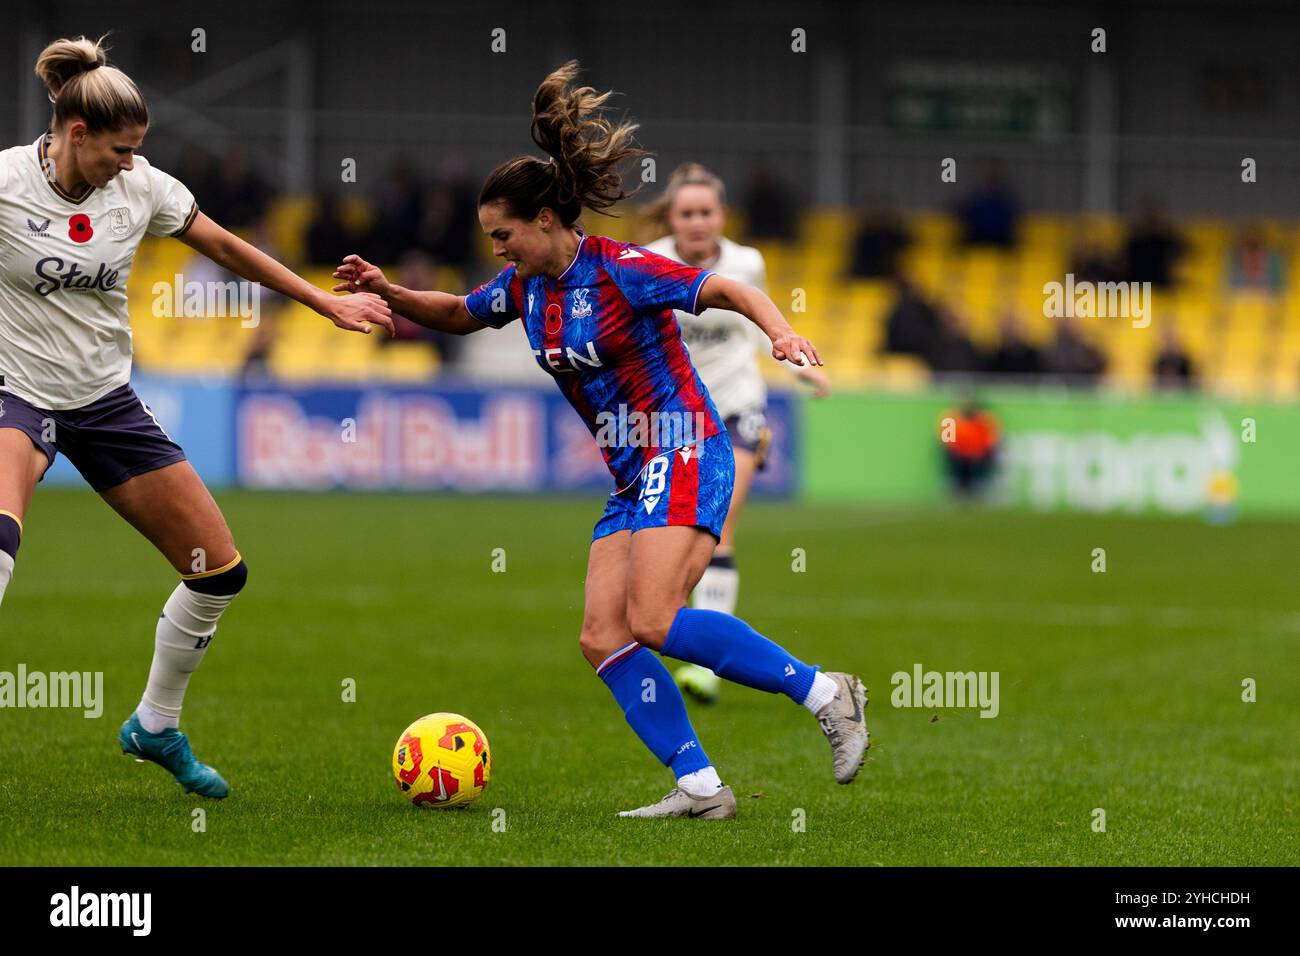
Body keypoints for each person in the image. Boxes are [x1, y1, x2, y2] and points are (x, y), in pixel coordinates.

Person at [334, 61, 868, 819]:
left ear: (545, 219)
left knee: (653, 618)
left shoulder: (621, 270)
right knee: (601, 636)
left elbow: (726, 289)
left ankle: (824, 692)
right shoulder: (525, 288)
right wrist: (389, 291)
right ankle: (701, 787)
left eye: (504, 234)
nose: (498, 249)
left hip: (683, 444)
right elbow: (458, 311)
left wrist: (780, 333)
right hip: (633, 472)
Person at [0, 36, 393, 799]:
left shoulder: (142, 187)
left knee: (219, 572)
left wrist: (324, 303)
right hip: (15, 389)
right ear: (75, 134)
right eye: (120, 150)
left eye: (138, 150)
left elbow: (231, 249)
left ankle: (155, 725)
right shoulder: (7, 184)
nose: (130, 163)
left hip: (106, 399)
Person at [641, 162, 829, 704]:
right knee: (682, 538)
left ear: (722, 215)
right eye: (687, 213)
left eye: (706, 212)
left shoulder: (748, 262)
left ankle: (707, 668)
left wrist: (800, 367)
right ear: (672, 219)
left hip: (740, 408)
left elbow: (758, 323)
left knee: (720, 529)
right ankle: (691, 632)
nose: (697, 222)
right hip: (677, 416)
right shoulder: (652, 261)